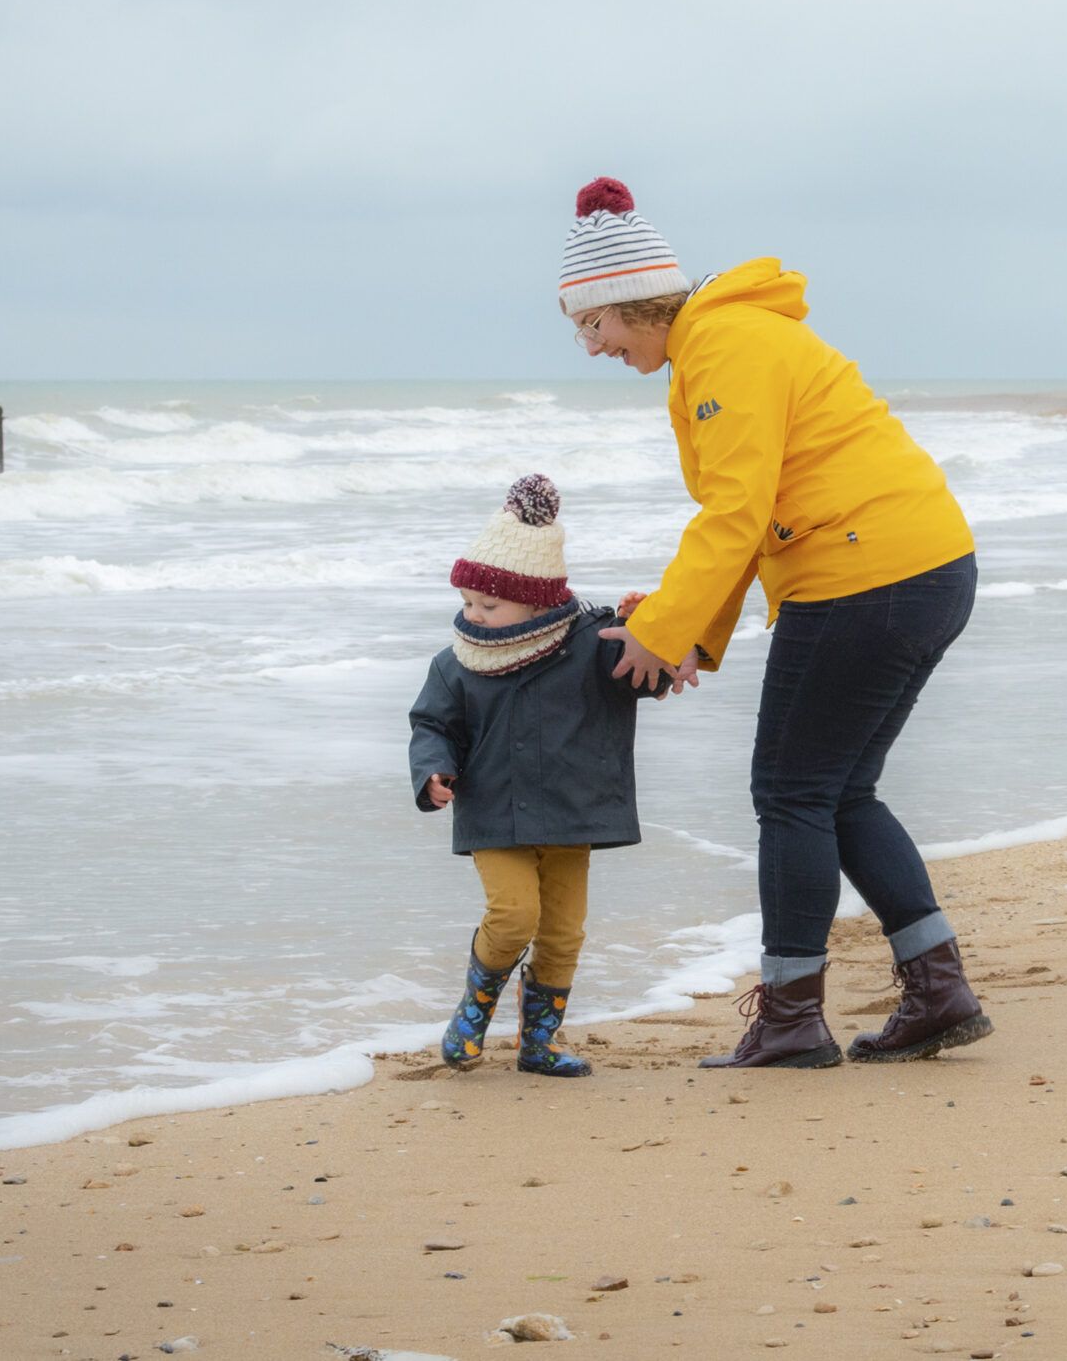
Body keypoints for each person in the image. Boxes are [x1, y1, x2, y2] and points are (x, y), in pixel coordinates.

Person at [557, 175, 992, 1069]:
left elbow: (735, 512)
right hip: (921, 565)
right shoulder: (726, 338)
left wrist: (664, 633)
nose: (591, 347)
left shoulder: (721, 345)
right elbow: (748, 515)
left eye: (590, 325)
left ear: (626, 305)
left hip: (863, 575)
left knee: (791, 794)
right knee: (840, 791)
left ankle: (793, 1018)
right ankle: (938, 989)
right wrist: (684, 634)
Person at [409, 473, 663, 1077]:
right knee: (514, 914)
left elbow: (643, 671)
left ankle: (538, 1041)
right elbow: (432, 725)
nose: (474, 615)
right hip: (494, 813)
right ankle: (474, 1008)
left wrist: (651, 626)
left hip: (572, 812)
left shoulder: (591, 641)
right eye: (468, 602)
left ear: (540, 601)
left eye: (489, 605)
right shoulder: (456, 665)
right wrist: (432, 772)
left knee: (563, 932)